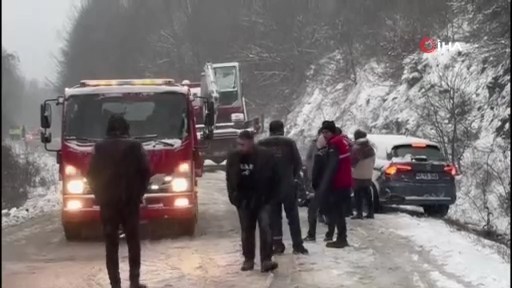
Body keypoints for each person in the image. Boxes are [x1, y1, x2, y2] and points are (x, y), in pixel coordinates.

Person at [87, 114, 151, 288]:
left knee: (111, 244)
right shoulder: (136, 147)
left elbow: (91, 175)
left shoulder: (99, 148)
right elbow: (146, 172)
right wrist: (138, 194)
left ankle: (115, 284)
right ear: (126, 128)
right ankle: (134, 282)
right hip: (130, 203)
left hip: (108, 204)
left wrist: (100, 195)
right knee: (133, 242)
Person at [225, 130, 279, 272]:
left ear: (251, 142)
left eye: (243, 144)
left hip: (263, 199)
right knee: (247, 230)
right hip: (243, 199)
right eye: (238, 144)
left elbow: (275, 177)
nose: (240, 147)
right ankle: (248, 259)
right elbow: (229, 178)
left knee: (266, 228)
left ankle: (266, 259)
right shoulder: (233, 157)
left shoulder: (265, 156)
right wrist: (233, 196)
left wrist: (271, 197)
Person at [257, 120, 309, 255]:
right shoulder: (289, 143)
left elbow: (258, 165)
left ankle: (277, 245)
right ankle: (297, 245)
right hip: (287, 185)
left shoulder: (262, 144)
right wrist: (292, 176)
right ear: (282, 129)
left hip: (270, 187)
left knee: (274, 217)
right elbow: (298, 163)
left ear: (270, 130)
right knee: (292, 216)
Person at [317, 120, 352, 248]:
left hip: (339, 182)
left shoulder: (334, 143)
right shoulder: (342, 140)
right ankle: (342, 237)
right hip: (346, 180)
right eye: (323, 132)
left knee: (338, 211)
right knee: (340, 211)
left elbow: (332, 166)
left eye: (326, 132)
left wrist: (325, 184)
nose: (324, 135)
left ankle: (341, 238)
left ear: (332, 132)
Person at [303, 133, 329, 241]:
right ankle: (330, 234)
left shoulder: (319, 154)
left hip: (318, 184)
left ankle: (312, 234)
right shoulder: (333, 152)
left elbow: (309, 162)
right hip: (329, 184)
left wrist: (311, 184)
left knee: (312, 210)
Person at [351, 129, 376, 219]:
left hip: (358, 173)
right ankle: (370, 212)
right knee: (367, 193)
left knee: (357, 194)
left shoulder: (357, 148)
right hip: (368, 173)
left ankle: (359, 213)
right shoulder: (370, 147)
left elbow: (352, 161)